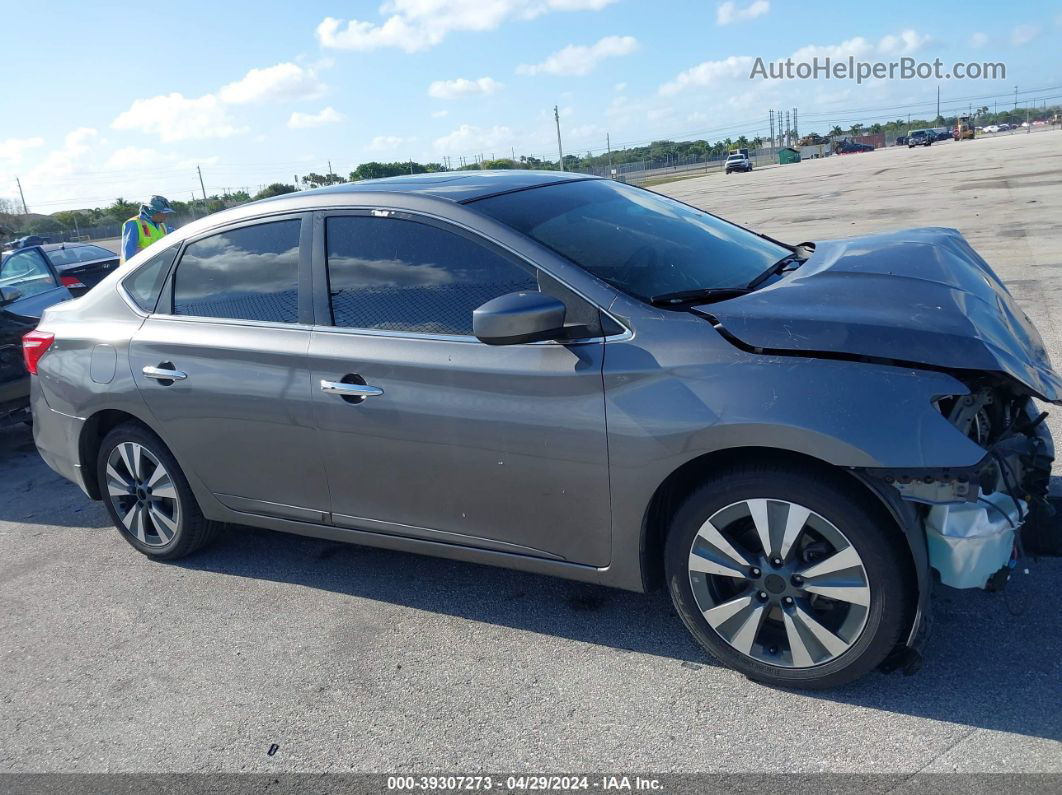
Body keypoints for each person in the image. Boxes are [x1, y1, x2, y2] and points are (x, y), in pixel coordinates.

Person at [120, 195, 175, 264]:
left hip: (159, 269)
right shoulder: (133, 224)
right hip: (142, 271)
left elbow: (178, 234)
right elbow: (129, 256)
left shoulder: (161, 225)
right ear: (152, 211)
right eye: (164, 213)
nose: (167, 216)